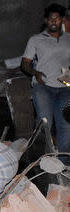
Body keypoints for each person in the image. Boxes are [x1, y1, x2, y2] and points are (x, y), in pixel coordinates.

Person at [21, 3, 70, 164]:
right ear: (46, 21)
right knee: (44, 123)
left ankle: (64, 164)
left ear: (62, 20)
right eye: (50, 18)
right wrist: (35, 73)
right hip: (43, 87)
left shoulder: (68, 39)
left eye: (57, 18)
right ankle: (41, 162)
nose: (53, 21)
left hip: (65, 89)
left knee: (66, 125)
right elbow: (25, 64)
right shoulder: (36, 39)